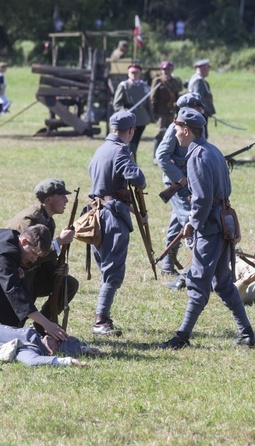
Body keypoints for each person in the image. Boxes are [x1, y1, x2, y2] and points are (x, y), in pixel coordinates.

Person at [160, 107, 255, 349]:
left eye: (177, 128)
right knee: (222, 283)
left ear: (187, 130)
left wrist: (192, 223)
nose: (175, 133)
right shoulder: (212, 151)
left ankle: (182, 337)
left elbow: (201, 199)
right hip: (222, 222)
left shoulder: (198, 156)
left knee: (197, 282)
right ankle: (246, 333)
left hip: (210, 227)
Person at [87, 110, 146, 336]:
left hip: (96, 213)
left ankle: (104, 315)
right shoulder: (121, 151)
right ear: (130, 130)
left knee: (106, 269)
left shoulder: (101, 148)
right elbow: (138, 178)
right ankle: (100, 320)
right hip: (111, 216)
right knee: (112, 271)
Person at [6, 179, 79, 329]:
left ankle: (41, 329)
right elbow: (24, 254)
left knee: (68, 284)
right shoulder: (29, 221)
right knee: (14, 322)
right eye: (62, 196)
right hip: (16, 275)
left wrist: (57, 268)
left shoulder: (47, 220)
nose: (66, 200)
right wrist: (59, 242)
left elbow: (41, 257)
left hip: (33, 272)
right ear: (48, 199)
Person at [155, 93, 203, 281]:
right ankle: (199, 267)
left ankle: (167, 265)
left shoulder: (195, 126)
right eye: (197, 106)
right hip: (177, 183)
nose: (200, 109)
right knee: (191, 220)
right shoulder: (174, 129)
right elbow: (161, 156)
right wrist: (180, 178)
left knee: (177, 224)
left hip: (186, 180)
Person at [113, 64, 153, 160]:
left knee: (136, 142)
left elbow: (148, 103)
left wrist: (151, 116)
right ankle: (131, 162)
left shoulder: (144, 86)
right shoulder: (124, 86)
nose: (134, 74)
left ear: (140, 74)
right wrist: (124, 112)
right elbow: (117, 104)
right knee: (130, 143)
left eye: (136, 72)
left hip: (141, 118)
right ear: (128, 73)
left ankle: (132, 160)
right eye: (132, 72)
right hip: (129, 118)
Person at [150, 61, 182, 163]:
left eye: (168, 69)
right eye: (164, 69)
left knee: (172, 133)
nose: (166, 71)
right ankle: (156, 156)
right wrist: (153, 113)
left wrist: (178, 110)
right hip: (160, 112)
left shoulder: (175, 81)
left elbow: (177, 96)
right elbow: (152, 98)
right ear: (161, 70)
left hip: (171, 112)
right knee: (160, 133)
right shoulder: (158, 81)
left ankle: (169, 155)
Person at [188, 59, 216, 136]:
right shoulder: (198, 81)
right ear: (203, 68)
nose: (208, 70)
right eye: (207, 68)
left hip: (200, 113)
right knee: (202, 136)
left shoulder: (198, 79)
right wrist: (205, 110)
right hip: (200, 114)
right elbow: (197, 98)